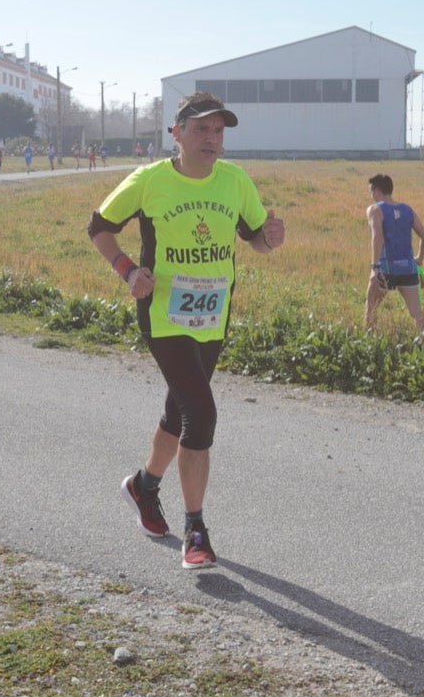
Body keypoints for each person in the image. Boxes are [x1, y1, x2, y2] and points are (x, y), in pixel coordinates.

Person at [88, 91, 285, 570]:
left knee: (178, 412)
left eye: (218, 130)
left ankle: (143, 486)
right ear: (176, 134)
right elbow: (99, 226)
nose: (211, 139)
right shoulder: (150, 180)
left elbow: (256, 237)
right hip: (163, 315)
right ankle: (196, 529)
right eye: (201, 129)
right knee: (201, 413)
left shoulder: (235, 181)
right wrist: (128, 271)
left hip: (212, 316)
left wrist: (268, 239)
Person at [363, 173, 424, 341]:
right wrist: (419, 259)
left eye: (372, 193)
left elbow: (377, 237)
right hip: (408, 268)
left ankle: (368, 344)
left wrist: (375, 267)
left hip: (386, 269)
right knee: (418, 314)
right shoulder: (408, 209)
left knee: (371, 308)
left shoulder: (375, 209)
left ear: (377, 192)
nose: (372, 197)